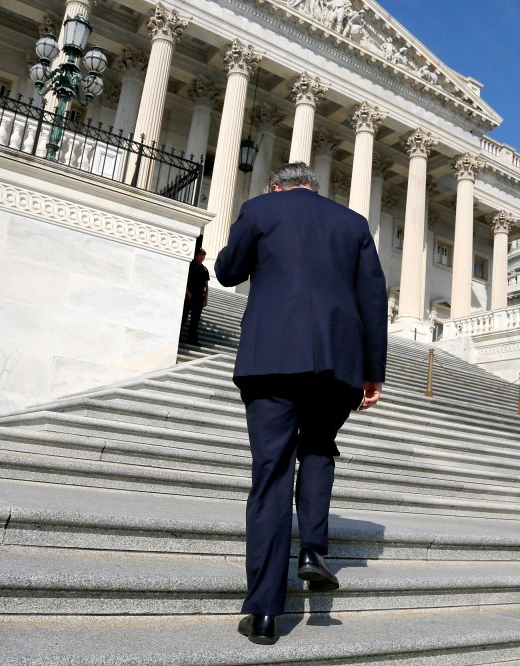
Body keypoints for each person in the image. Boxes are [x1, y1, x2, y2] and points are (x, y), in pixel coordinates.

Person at [215, 162, 387, 645]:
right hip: (339, 363)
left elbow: (228, 272)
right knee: (317, 448)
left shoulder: (260, 208)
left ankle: (265, 611)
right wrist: (373, 371)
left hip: (272, 355)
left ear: (276, 186)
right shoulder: (351, 223)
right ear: (315, 189)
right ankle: (312, 549)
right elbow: (374, 298)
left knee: (271, 474)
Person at [181, 248, 209, 345]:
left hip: (199, 298)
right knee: (183, 317)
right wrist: (187, 292)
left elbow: (206, 285)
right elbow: (183, 278)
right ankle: (179, 336)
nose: (201, 257)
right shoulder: (190, 265)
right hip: (189, 296)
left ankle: (192, 339)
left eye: (203, 255)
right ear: (195, 255)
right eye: (200, 255)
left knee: (195, 319)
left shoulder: (204, 269)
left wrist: (205, 298)